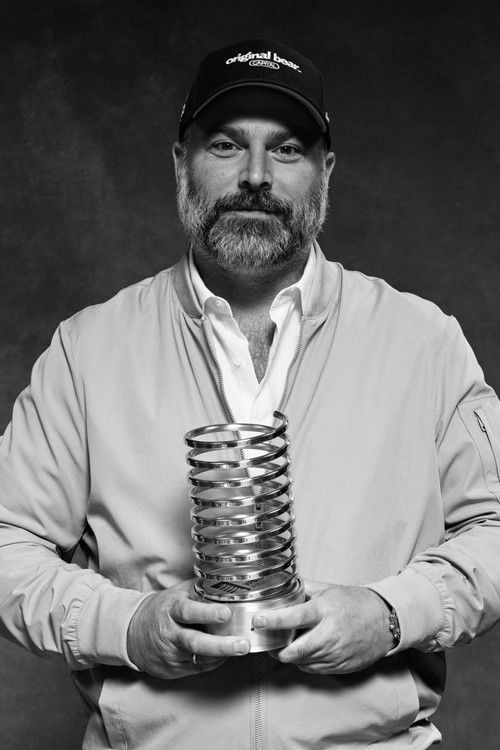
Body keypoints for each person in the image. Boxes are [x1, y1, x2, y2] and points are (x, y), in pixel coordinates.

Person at [0, 39, 499, 750]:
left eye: (287, 149)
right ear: (182, 163)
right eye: (227, 145)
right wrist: (130, 627)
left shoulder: (424, 342)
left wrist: (391, 614)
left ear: (325, 172)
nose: (256, 176)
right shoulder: (87, 351)